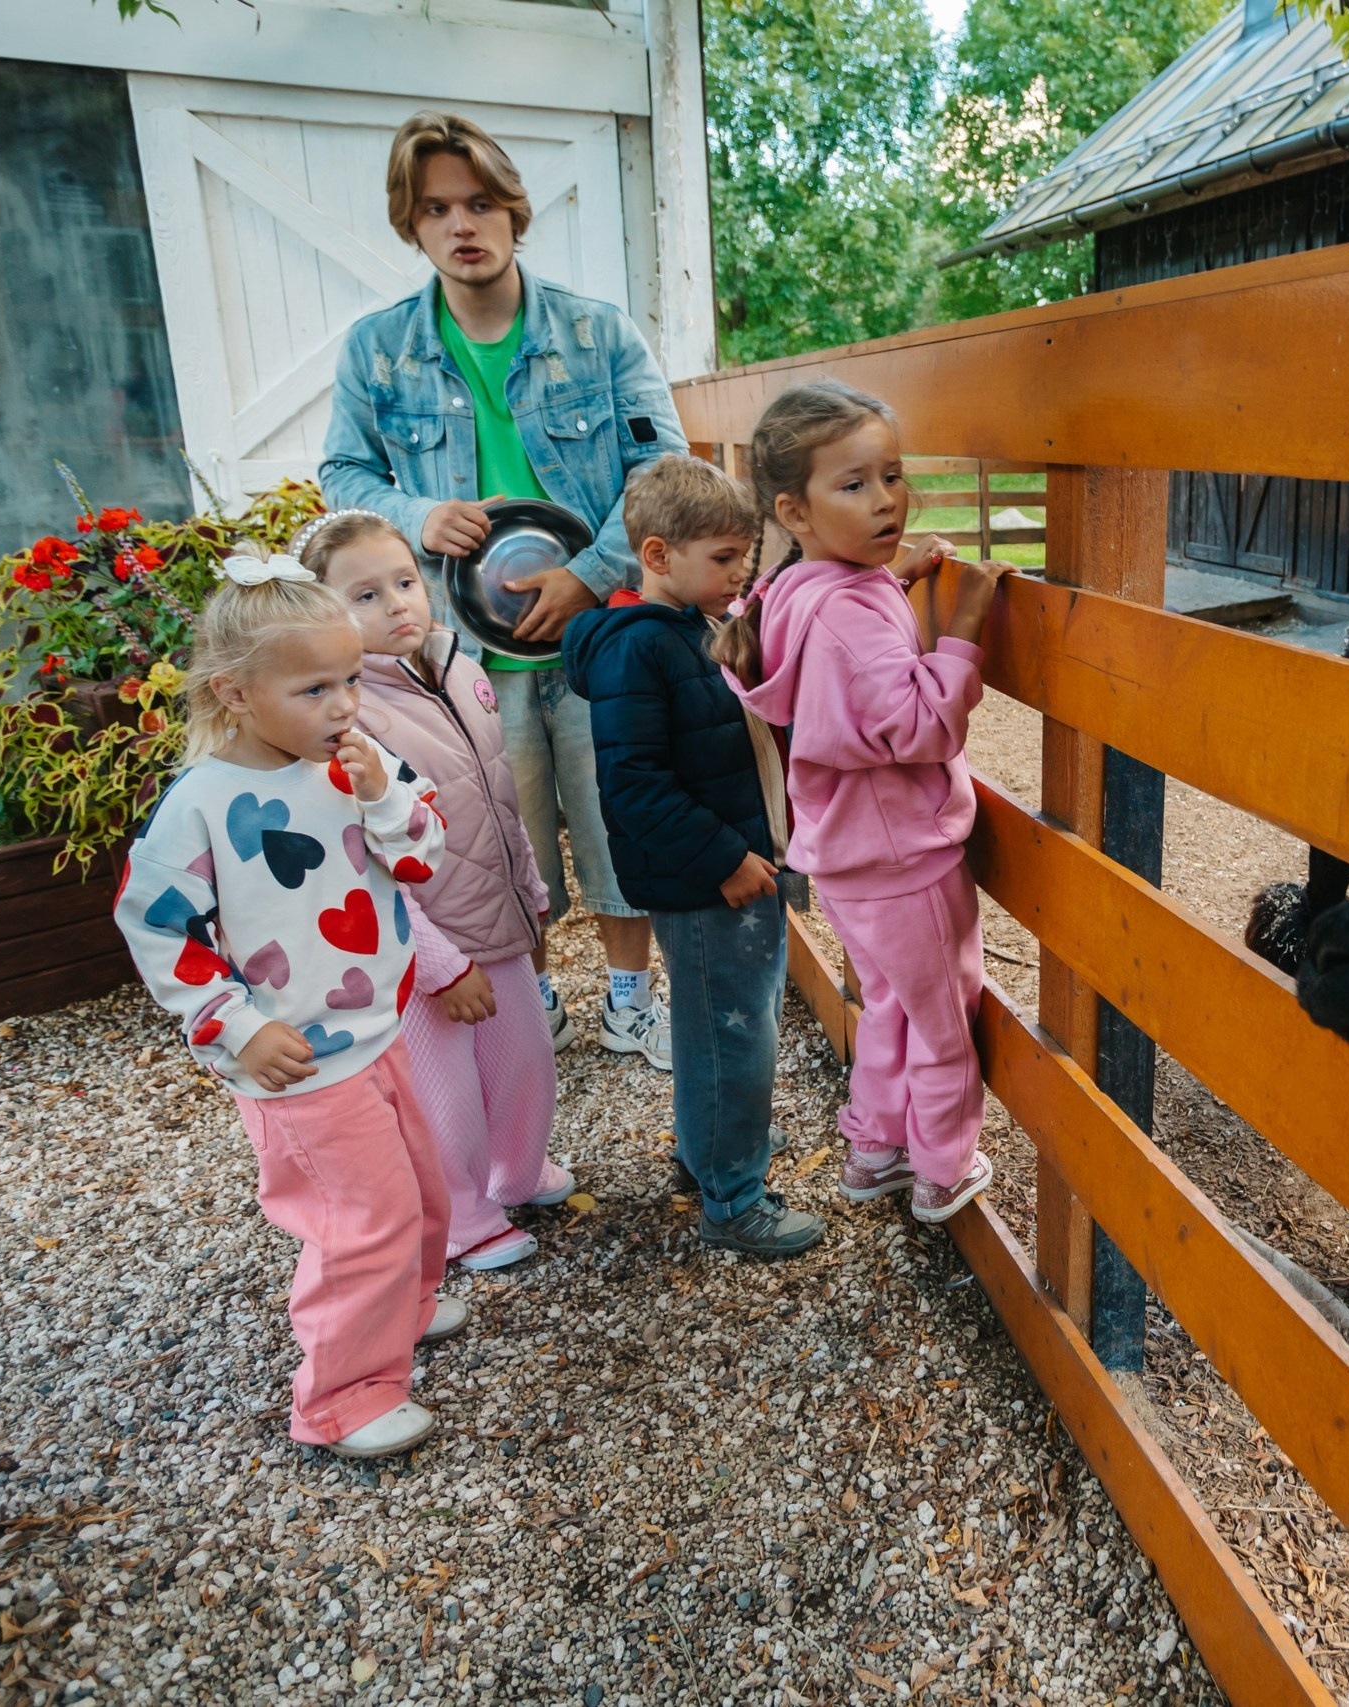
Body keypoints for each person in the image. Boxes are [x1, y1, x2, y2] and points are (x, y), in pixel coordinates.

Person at [319, 110, 686, 1072]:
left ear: (514, 211)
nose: (462, 225)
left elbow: (664, 474)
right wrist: (414, 514)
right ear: (413, 224)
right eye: (437, 208)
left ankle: (627, 999)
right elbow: (342, 475)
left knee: (615, 808)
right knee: (491, 828)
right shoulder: (378, 350)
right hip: (460, 652)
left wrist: (592, 572)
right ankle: (533, 1001)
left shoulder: (600, 335)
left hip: (597, 635)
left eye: (480, 202)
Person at [112, 552, 461, 1460]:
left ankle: (402, 1312)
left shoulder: (355, 763)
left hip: (375, 1032)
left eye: (350, 679)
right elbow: (159, 925)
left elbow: (424, 854)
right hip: (298, 1062)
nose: (345, 705)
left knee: (420, 1194)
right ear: (234, 692)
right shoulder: (198, 807)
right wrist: (236, 1024)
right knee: (362, 1223)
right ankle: (342, 1397)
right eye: (315, 688)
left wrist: (385, 795)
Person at [718, 381, 1011, 1225]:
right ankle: (944, 1167)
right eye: (853, 485)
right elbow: (920, 725)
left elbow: (850, 650)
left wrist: (902, 579)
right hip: (903, 860)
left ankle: (875, 1146)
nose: (886, 500)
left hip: (847, 858)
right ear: (794, 511)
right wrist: (964, 625)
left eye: (892, 474)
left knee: (888, 1002)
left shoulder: (799, 587)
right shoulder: (850, 612)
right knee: (945, 1013)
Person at [560, 456, 824, 1258]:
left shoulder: (690, 627)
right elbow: (635, 788)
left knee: (719, 1023)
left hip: (731, 867)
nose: (734, 578)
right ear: (657, 553)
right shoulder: (641, 652)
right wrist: (725, 858)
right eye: (720, 562)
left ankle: (706, 1147)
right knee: (734, 1033)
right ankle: (734, 1199)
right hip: (711, 881)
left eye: (742, 562)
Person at [300, 508, 576, 1273]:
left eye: (404, 582)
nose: (397, 604)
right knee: (445, 1095)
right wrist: (435, 962)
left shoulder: (461, 666)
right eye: (364, 596)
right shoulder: (346, 717)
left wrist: (528, 880)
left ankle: (515, 1173)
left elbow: (501, 792)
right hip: (424, 951)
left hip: (497, 917)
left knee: (525, 1060)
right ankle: (461, 1213)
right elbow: (364, 861)